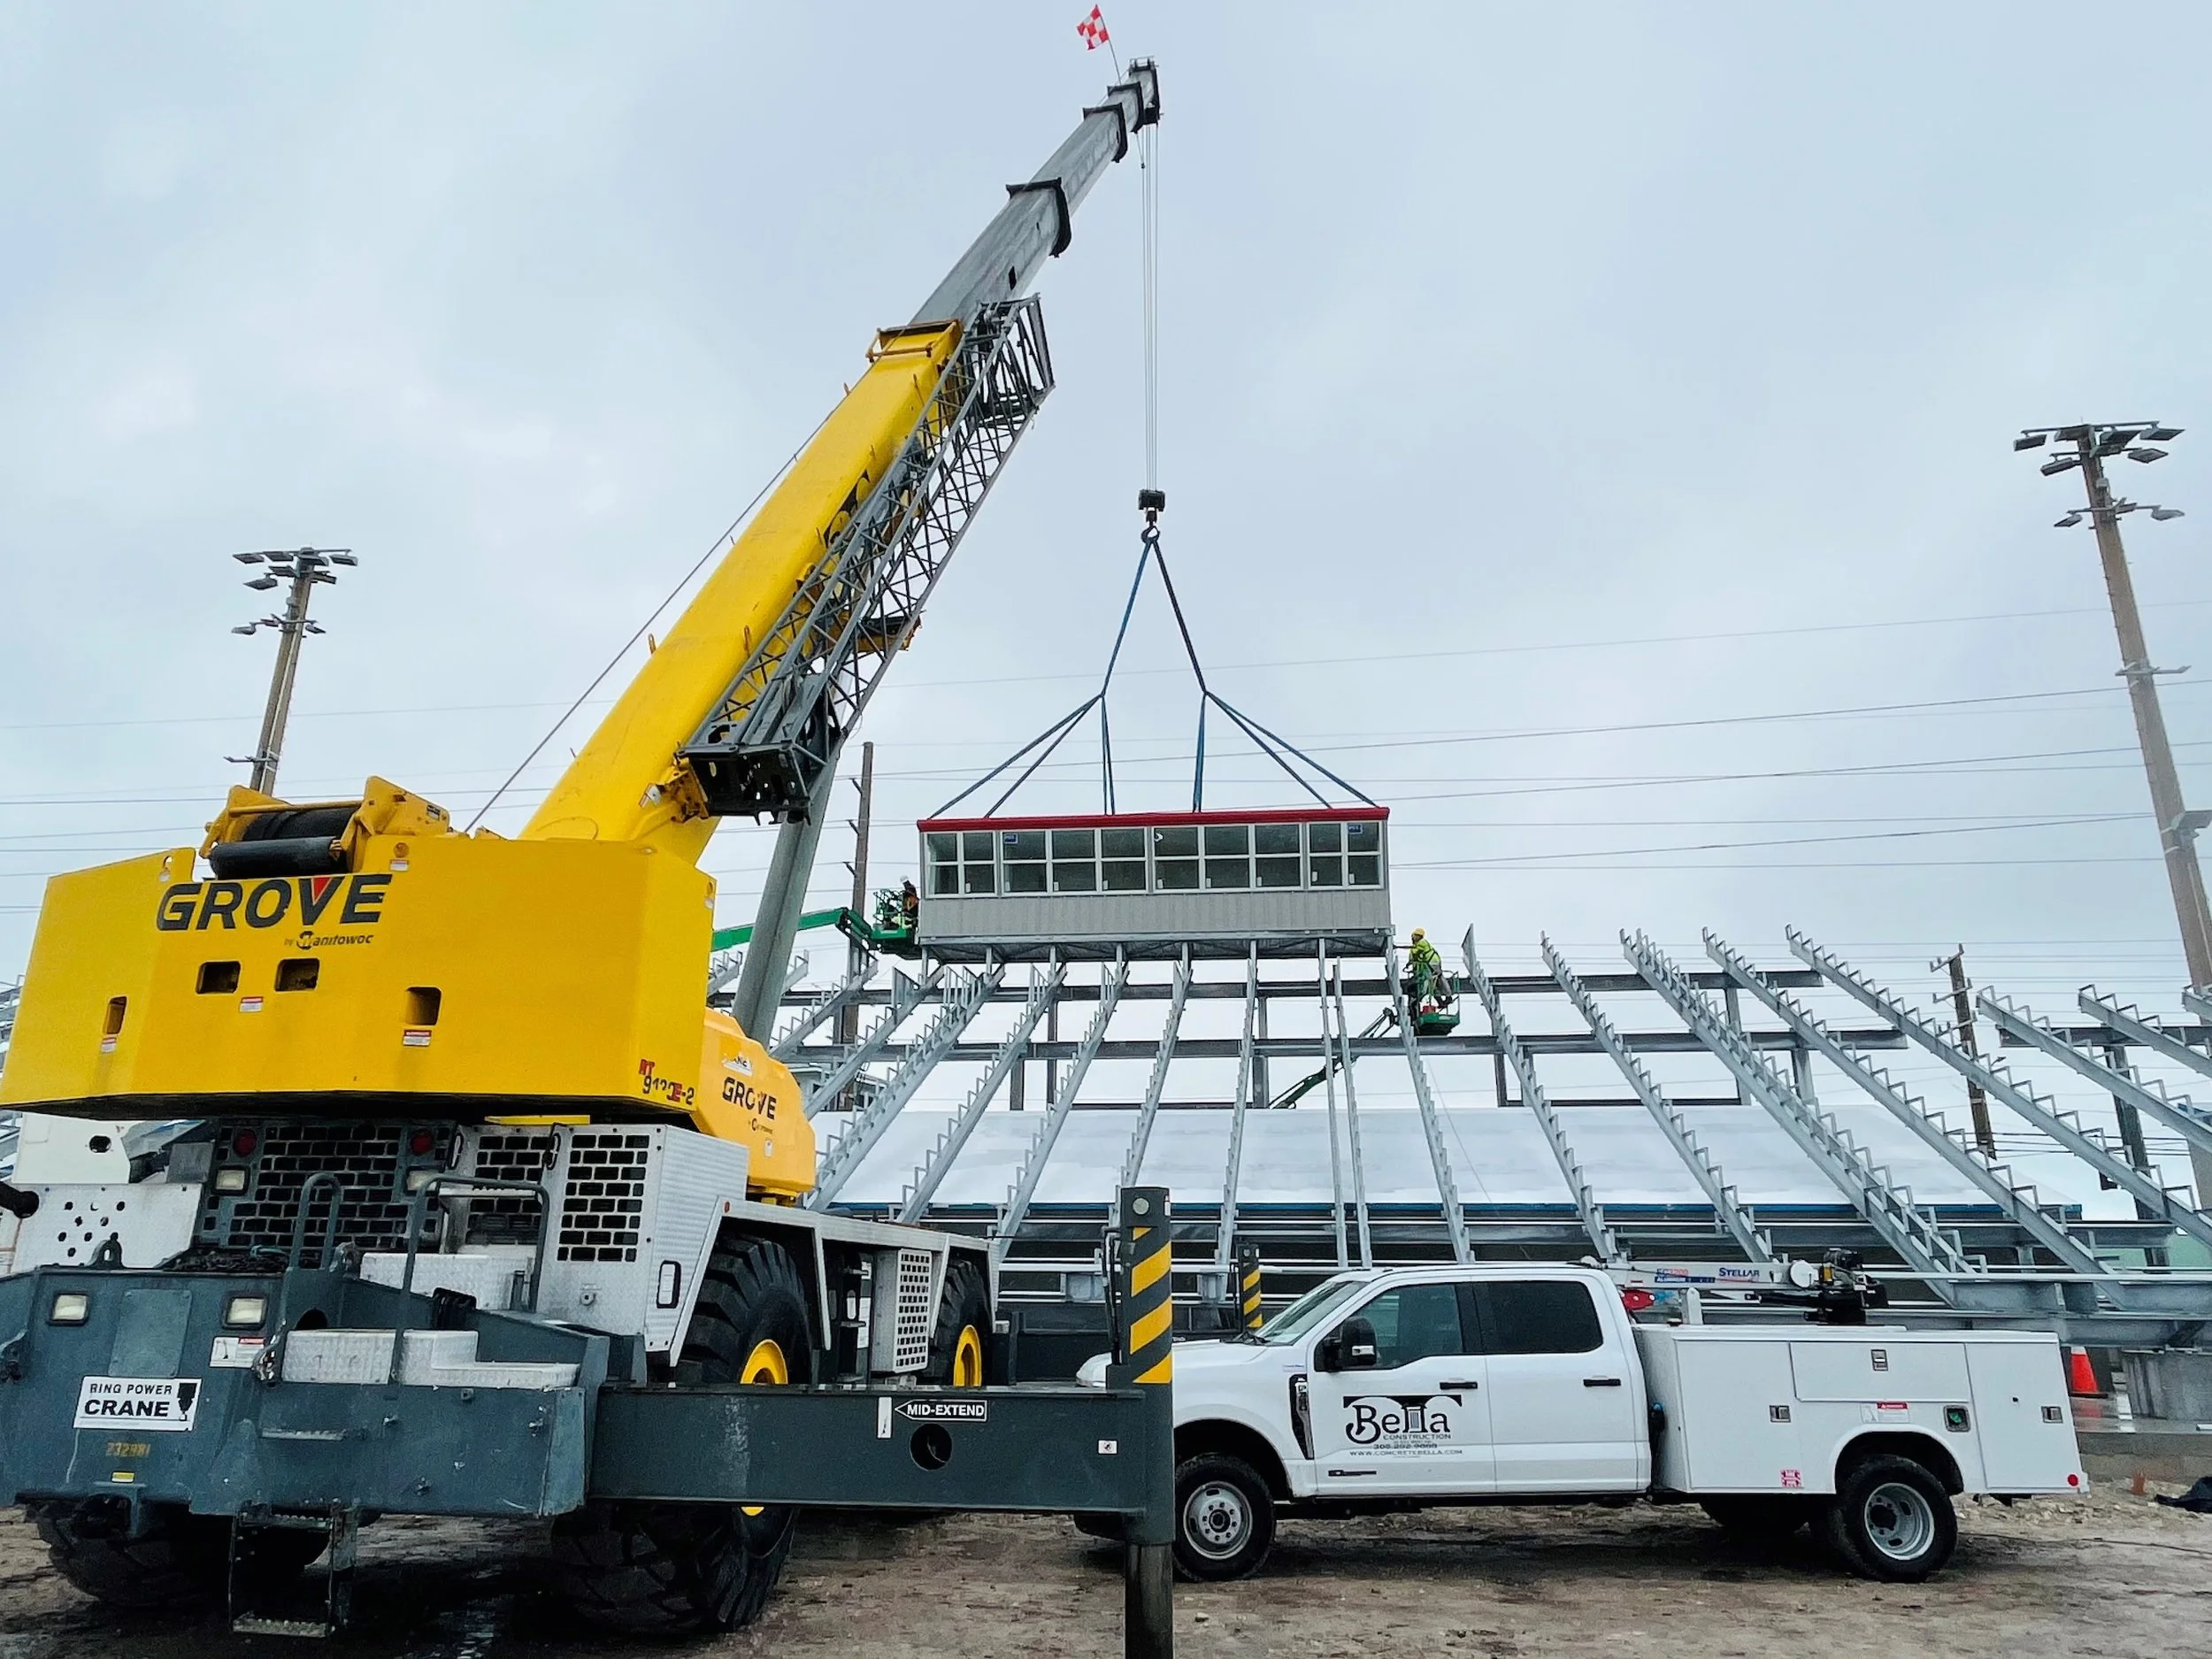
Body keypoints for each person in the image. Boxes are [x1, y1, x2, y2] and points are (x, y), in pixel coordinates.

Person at [1406, 926, 1446, 1009]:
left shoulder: (1422, 942)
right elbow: (1415, 958)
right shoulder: (1416, 946)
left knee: (1428, 984)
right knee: (1433, 985)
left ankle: (1416, 1002)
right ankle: (1441, 1002)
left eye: (1416, 936)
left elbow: (1416, 953)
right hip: (1428, 966)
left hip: (1431, 964)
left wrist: (1410, 962)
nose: (1414, 937)